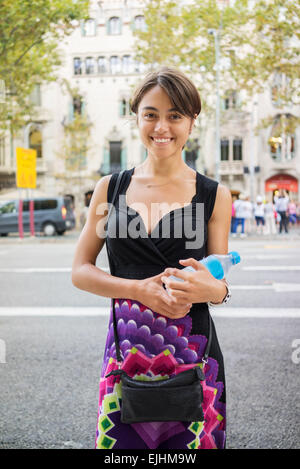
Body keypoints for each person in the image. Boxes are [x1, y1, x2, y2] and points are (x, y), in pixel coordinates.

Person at [72, 67, 232, 450]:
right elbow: (80, 271)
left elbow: (219, 280)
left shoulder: (215, 195)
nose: (162, 126)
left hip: (194, 355)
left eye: (175, 115)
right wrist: (137, 290)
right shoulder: (109, 189)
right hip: (126, 353)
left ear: (192, 122)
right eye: (151, 114)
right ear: (136, 118)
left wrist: (214, 289)